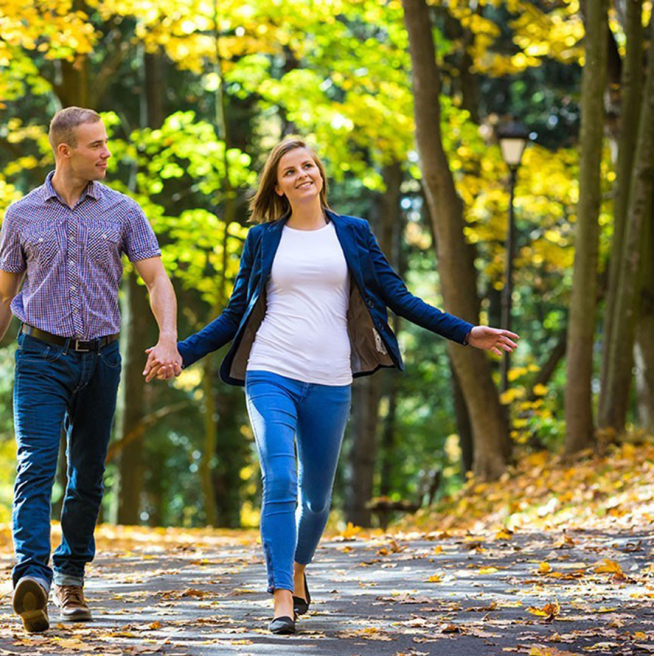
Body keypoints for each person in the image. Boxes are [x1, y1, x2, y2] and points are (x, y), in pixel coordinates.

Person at [143, 138, 517, 635]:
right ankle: (280, 596)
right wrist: (180, 352)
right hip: (271, 370)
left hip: (330, 378)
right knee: (280, 479)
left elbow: (399, 296)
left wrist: (466, 332)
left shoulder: (353, 233)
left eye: (308, 166)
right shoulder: (263, 239)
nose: (302, 175)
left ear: (320, 174)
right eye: (290, 171)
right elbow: (235, 314)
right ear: (278, 186)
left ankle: (297, 565)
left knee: (317, 501)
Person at [0, 107, 183, 633]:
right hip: (39, 357)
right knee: (35, 466)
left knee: (87, 475)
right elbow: (2, 294)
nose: (106, 153)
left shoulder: (123, 211)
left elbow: (156, 280)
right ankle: (32, 577)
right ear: (65, 151)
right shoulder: (22, 214)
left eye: (106, 143)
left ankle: (70, 578)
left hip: (101, 359)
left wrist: (168, 338)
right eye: (96, 145)